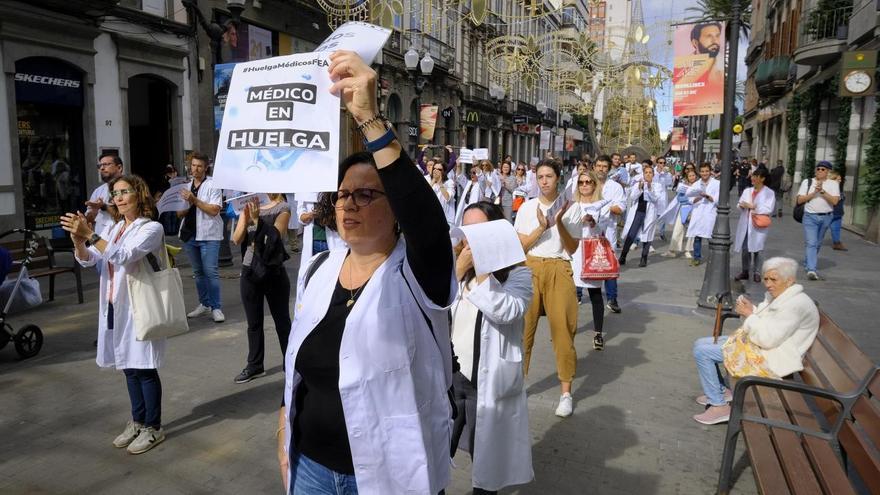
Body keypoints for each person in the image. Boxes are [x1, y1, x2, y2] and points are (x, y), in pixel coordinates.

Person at [277, 51, 455, 494]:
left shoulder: (417, 274)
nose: (349, 204)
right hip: (311, 466)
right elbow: (297, 371)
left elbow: (427, 223)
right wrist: (284, 432)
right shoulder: (320, 268)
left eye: (365, 195)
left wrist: (371, 119)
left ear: (394, 208)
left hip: (389, 474)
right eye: (342, 196)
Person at [61, 174, 169, 454]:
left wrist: (90, 234)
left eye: (124, 192)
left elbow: (124, 256)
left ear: (139, 195)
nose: (118, 198)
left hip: (138, 306)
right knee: (128, 366)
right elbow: (90, 260)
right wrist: (78, 242)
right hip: (113, 305)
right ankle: (137, 420)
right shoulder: (116, 227)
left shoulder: (152, 228)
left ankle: (153, 427)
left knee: (144, 366)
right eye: (115, 194)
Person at [450, 201, 534, 494]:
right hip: (448, 379)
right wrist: (456, 272)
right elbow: (434, 309)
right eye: (466, 232)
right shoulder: (456, 269)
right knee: (433, 456)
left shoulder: (518, 275)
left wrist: (483, 267)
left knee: (485, 464)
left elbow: (507, 310)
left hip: (484, 383)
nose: (470, 240)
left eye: (479, 232)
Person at [691, 257, 819, 425]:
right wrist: (752, 310)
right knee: (700, 343)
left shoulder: (795, 304)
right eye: (766, 279)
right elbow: (769, 325)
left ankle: (719, 406)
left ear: (790, 281)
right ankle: (720, 391)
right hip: (765, 348)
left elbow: (767, 339)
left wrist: (750, 315)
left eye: (773, 279)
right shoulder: (781, 296)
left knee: (703, 352)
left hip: (773, 357)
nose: (768, 284)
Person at [514, 158, 582, 418]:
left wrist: (560, 221)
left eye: (549, 177)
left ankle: (566, 392)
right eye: (540, 176)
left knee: (563, 331)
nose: (544, 181)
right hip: (530, 267)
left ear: (558, 178)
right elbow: (520, 245)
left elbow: (573, 247)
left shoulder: (570, 207)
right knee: (523, 330)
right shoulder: (527, 208)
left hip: (559, 267)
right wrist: (542, 226)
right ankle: (517, 384)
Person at [231, 193, 292, 384]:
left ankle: (291, 362)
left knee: (282, 321)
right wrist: (246, 217)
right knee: (253, 323)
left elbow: (276, 237)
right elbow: (236, 239)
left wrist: (257, 221)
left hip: (273, 271)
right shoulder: (248, 206)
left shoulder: (282, 208)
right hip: (250, 270)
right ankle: (255, 364)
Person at [564, 170, 611, 350]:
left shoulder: (601, 204)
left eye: (588, 182)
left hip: (592, 251)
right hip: (574, 250)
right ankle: (566, 330)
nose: (584, 185)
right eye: (581, 182)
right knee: (569, 294)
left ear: (594, 184)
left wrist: (592, 222)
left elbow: (603, 229)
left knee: (595, 294)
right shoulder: (571, 204)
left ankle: (598, 332)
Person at [177, 152, 225, 323]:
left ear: (206, 168)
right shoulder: (185, 186)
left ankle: (216, 307)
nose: (195, 169)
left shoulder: (213, 185)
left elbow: (214, 210)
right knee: (198, 273)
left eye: (199, 166)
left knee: (210, 272)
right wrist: (185, 205)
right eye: (193, 165)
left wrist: (194, 200)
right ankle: (204, 303)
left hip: (209, 235)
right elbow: (180, 213)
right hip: (190, 234)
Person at [796, 160, 840, 280]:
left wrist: (822, 191)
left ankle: (808, 262)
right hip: (810, 216)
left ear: (828, 172)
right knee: (811, 243)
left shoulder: (833, 184)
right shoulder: (808, 182)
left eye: (823, 169)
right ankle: (811, 269)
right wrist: (814, 192)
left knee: (818, 243)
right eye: (818, 168)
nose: (820, 171)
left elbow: (835, 201)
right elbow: (800, 200)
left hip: (826, 217)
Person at [593, 156, 626, 313]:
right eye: (598, 165)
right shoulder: (586, 183)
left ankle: (612, 299)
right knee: (583, 262)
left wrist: (604, 207)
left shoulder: (615, 187)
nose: (601, 169)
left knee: (610, 266)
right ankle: (577, 294)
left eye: (604, 166)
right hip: (588, 231)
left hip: (608, 231)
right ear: (594, 167)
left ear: (609, 169)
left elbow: (620, 208)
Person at [733, 167, 775, 283]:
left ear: (762, 179)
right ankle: (745, 271)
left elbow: (769, 208)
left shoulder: (769, 193)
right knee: (745, 248)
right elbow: (740, 203)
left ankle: (757, 272)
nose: (753, 178)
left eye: (756, 177)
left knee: (758, 249)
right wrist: (742, 206)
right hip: (746, 223)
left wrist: (752, 207)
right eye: (753, 176)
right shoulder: (747, 191)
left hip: (758, 224)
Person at [619, 163, 664, 268]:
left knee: (647, 235)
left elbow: (655, 199)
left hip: (650, 214)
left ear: (653, 174)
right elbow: (633, 197)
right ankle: (623, 256)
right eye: (646, 173)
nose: (648, 175)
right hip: (638, 212)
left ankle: (644, 257)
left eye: (650, 173)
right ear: (643, 174)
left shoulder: (657, 186)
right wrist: (640, 188)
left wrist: (649, 188)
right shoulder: (638, 184)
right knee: (632, 233)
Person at [85, 152, 125, 245]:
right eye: (100, 166)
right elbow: (89, 221)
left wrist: (104, 206)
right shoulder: (98, 191)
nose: (102, 168)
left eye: (106, 164)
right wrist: (93, 212)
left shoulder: (129, 187)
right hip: (100, 243)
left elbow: (126, 216)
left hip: (122, 243)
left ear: (119, 167)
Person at [686, 163, 720, 266]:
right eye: (702, 171)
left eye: (706, 171)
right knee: (697, 236)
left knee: (711, 236)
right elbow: (690, 199)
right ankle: (697, 257)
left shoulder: (717, 183)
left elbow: (717, 199)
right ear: (699, 172)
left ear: (710, 171)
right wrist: (698, 198)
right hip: (698, 212)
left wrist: (707, 196)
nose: (704, 173)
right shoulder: (696, 184)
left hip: (710, 212)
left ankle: (713, 258)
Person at [661, 168, 698, 258]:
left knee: (691, 231)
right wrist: (688, 199)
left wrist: (690, 199)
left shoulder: (699, 185)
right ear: (687, 177)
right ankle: (672, 249)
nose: (692, 177)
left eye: (693, 175)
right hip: (684, 209)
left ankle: (688, 250)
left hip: (695, 209)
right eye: (690, 176)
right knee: (678, 229)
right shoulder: (683, 185)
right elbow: (679, 198)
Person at [828, 170, 847, 251]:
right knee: (821, 228)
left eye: (840, 179)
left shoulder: (839, 188)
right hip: (830, 213)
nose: (840, 181)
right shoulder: (828, 189)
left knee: (836, 229)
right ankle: (814, 241)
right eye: (838, 179)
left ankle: (837, 243)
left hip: (838, 213)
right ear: (832, 179)